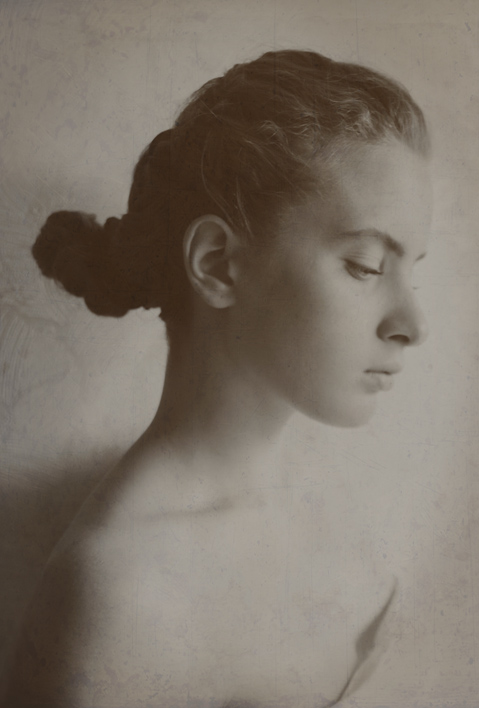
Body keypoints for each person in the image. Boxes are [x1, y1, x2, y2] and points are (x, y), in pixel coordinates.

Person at [3, 49, 432, 708]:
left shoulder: (344, 499)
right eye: (366, 266)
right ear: (217, 264)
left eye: (413, 270)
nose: (413, 324)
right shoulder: (121, 598)